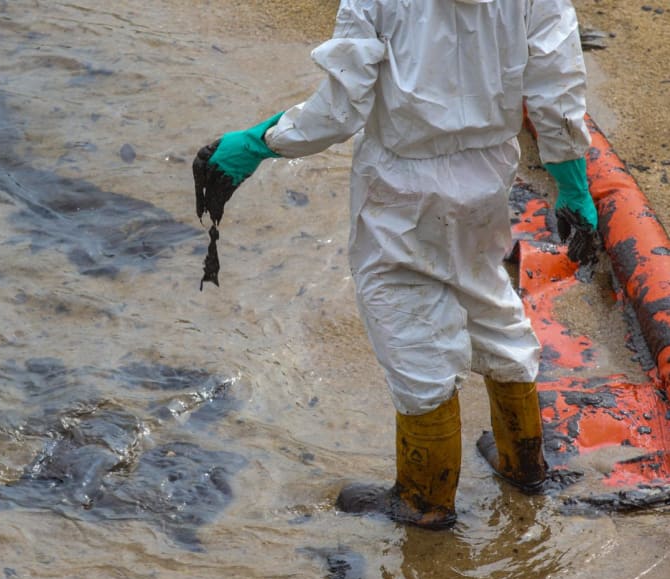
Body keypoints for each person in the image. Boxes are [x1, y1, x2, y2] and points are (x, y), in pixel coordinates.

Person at [193, 0, 598, 529]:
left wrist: (257, 143)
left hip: (400, 186)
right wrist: (573, 186)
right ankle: (522, 463)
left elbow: (338, 113)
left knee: (408, 328)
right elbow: (557, 95)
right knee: (490, 303)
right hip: (486, 174)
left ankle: (424, 498)